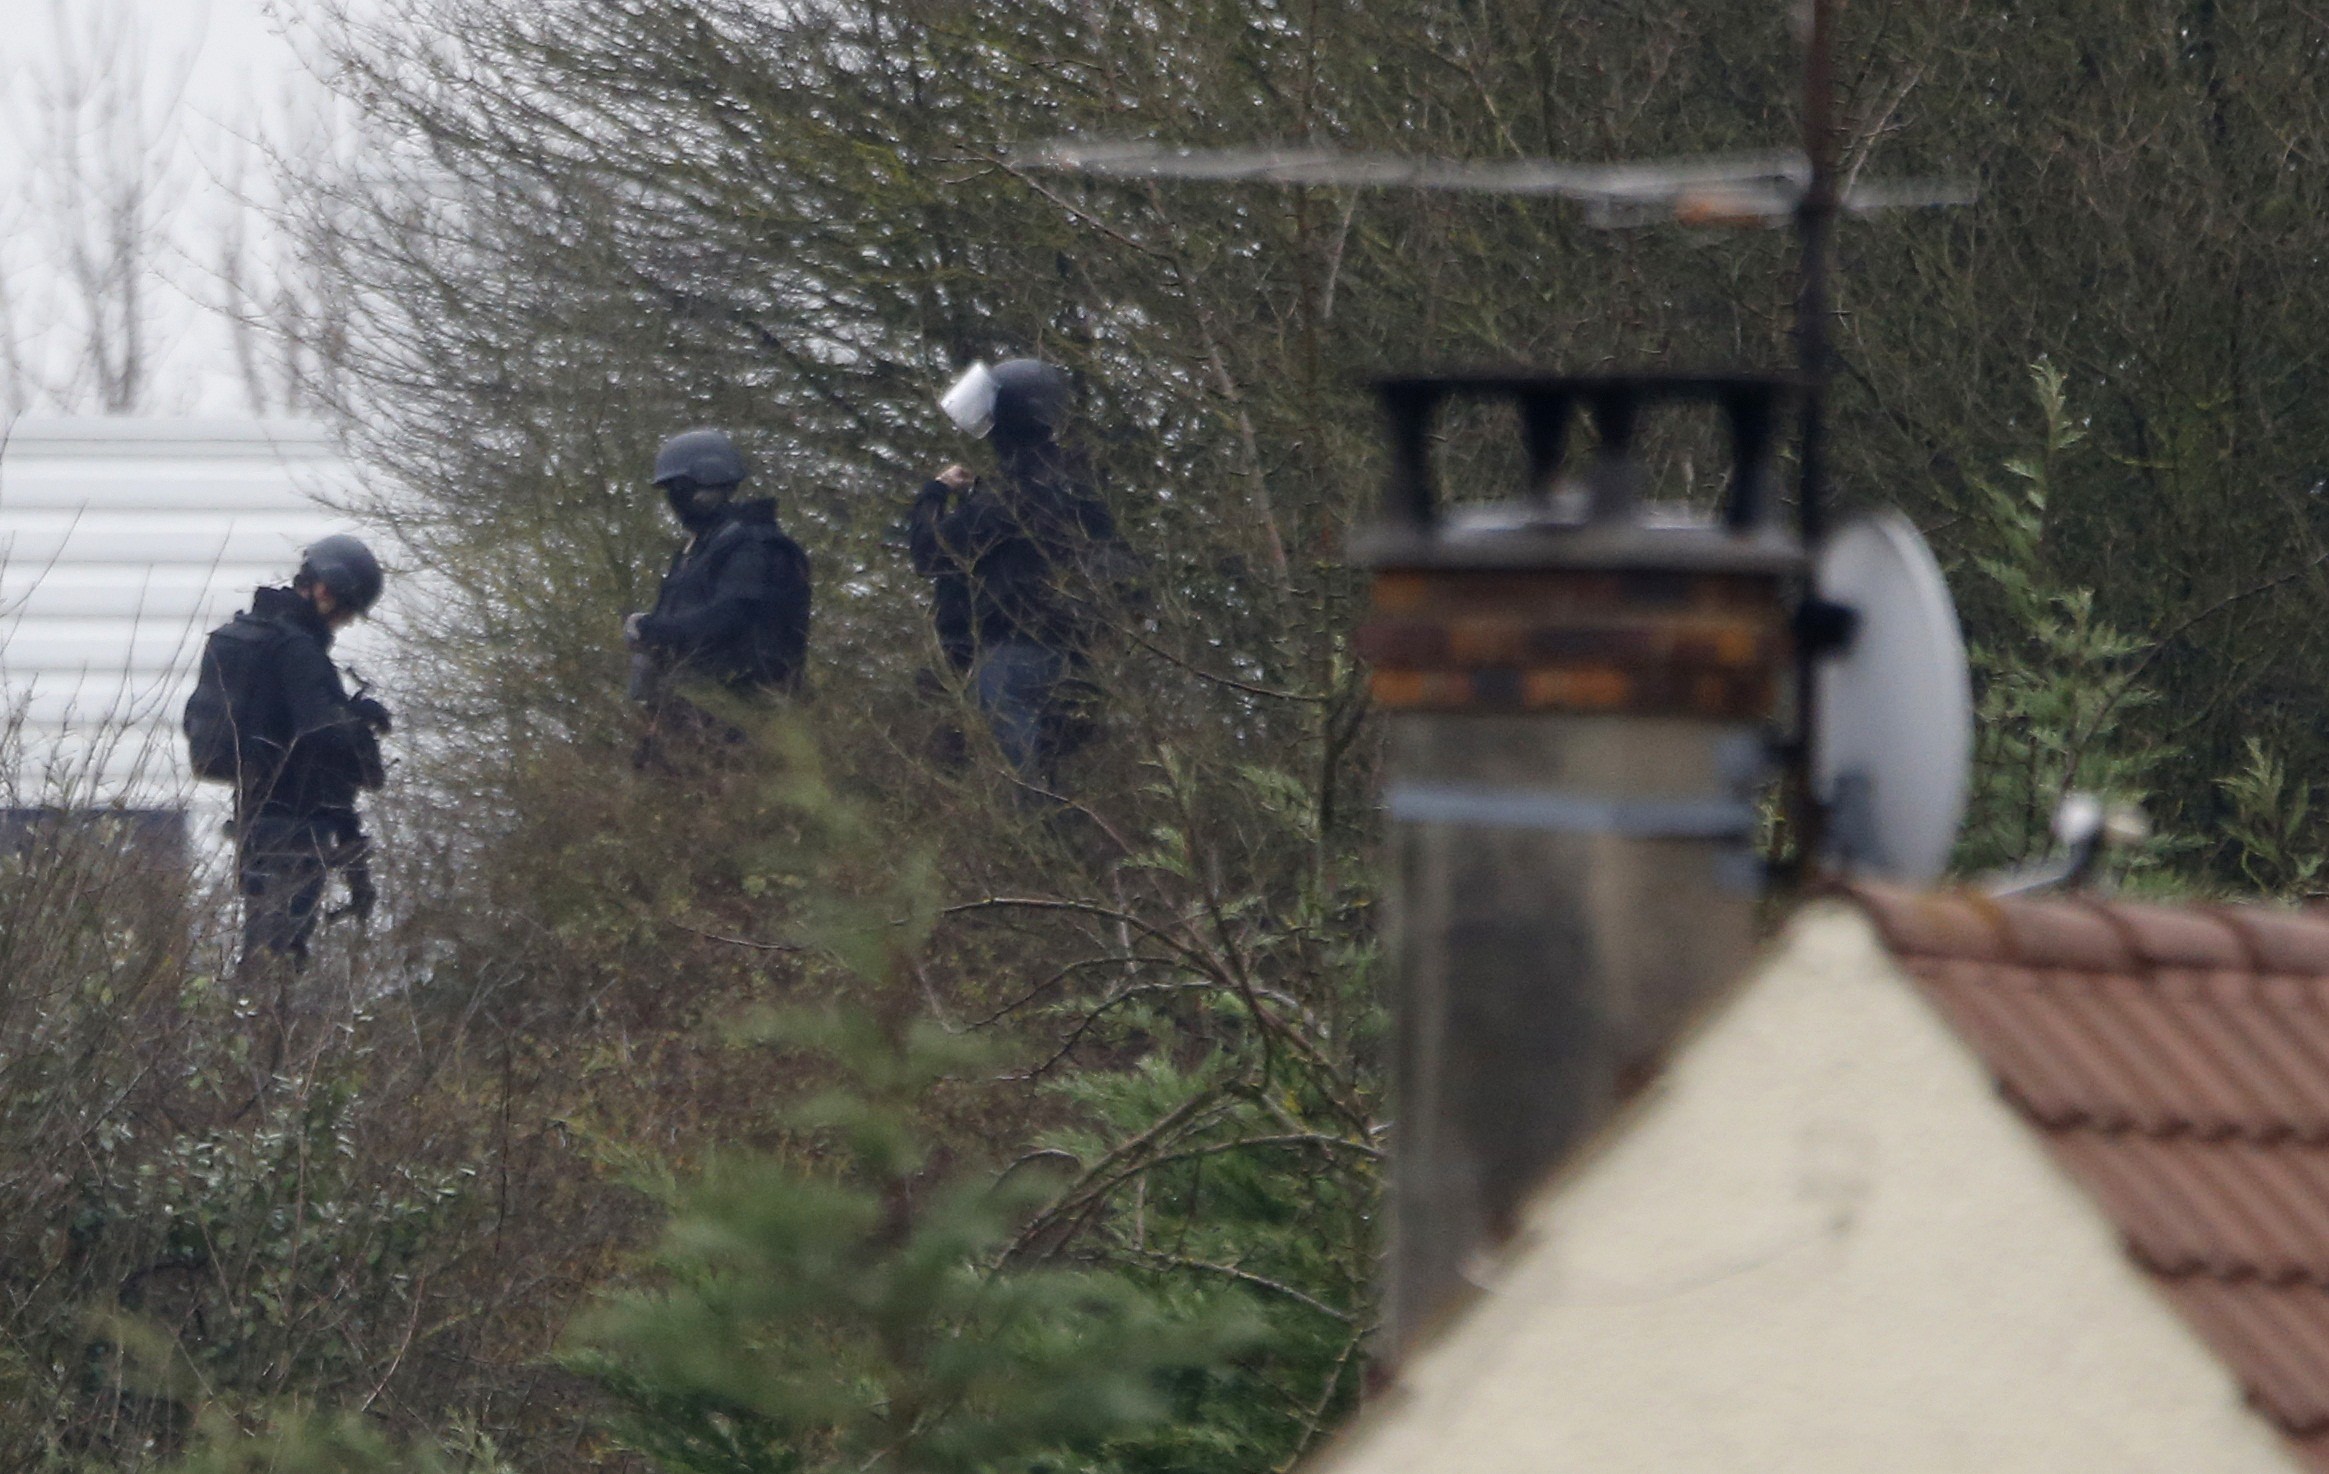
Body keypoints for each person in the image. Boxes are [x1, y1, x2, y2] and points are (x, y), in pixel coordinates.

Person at [909, 359, 1124, 793]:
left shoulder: (1010, 494)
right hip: (1077, 654)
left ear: (1006, 418)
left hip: (1013, 651)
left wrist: (934, 493)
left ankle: (1033, 842)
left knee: (1019, 781)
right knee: (1064, 777)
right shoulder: (1075, 485)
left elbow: (931, 552)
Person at [185, 534, 391, 971]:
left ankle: (256, 1029)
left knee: (265, 943)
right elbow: (322, 733)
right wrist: (358, 724)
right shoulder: (298, 650)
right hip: (294, 828)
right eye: (347, 609)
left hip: (256, 817)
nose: (346, 621)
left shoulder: (251, 637)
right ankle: (263, 1033)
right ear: (324, 590)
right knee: (277, 955)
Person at [625, 428, 813, 763]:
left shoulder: (755, 546)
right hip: (691, 714)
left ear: (703, 486)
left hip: (741, 718)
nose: (673, 502)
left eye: (678, 490)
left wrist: (654, 629)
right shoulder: (699, 550)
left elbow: (730, 616)